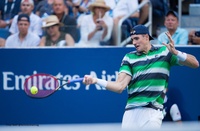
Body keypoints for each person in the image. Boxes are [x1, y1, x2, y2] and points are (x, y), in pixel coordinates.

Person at [83, 25, 199, 129]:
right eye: (132, 39)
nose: (134, 42)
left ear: (146, 37)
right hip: (130, 113)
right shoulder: (128, 57)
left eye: (137, 38)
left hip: (152, 112)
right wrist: (95, 80)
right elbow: (119, 87)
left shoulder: (165, 52)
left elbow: (195, 63)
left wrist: (176, 53)